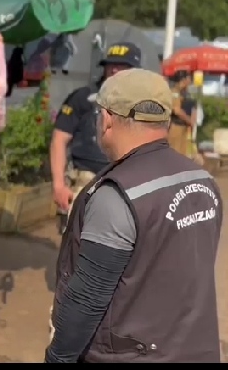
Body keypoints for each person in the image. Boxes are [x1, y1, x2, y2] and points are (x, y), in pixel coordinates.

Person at [46, 69, 223, 363]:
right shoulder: (202, 181)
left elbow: (87, 300)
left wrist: (58, 357)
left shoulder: (116, 194)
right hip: (195, 351)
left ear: (106, 120)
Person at [50, 42, 142, 217]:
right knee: (78, 241)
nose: (114, 70)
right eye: (110, 65)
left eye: (122, 66)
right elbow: (59, 139)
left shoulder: (143, 104)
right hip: (85, 180)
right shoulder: (83, 97)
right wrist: (58, 185)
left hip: (126, 183)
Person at [167, 70, 195, 156]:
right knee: (175, 153)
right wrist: (189, 120)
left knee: (183, 153)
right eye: (189, 78)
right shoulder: (175, 92)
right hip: (176, 128)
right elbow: (177, 110)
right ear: (183, 80)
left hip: (184, 128)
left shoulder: (184, 93)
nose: (190, 81)